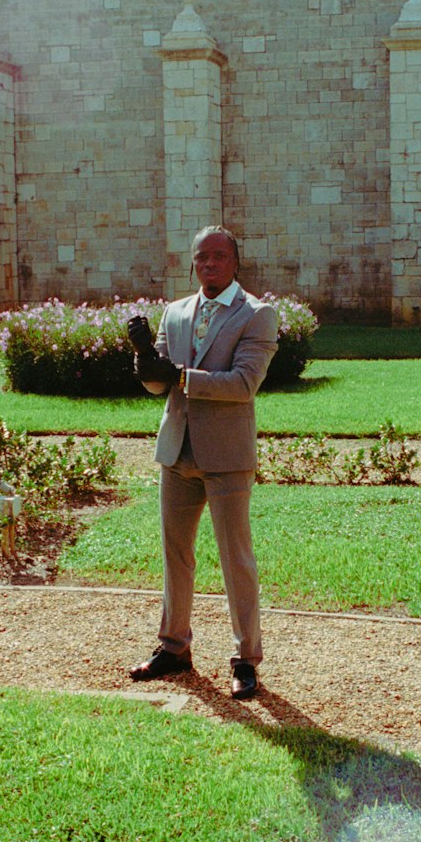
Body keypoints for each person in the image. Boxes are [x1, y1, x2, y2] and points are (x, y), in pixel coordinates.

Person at [126, 226, 278, 700]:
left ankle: (246, 659)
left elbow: (242, 384)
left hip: (226, 455)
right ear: (193, 264)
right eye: (201, 258)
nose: (209, 264)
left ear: (235, 262)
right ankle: (174, 647)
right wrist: (146, 363)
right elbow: (161, 384)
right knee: (176, 556)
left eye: (218, 256)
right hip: (178, 450)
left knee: (236, 559)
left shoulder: (257, 314)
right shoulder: (174, 312)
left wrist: (177, 375)